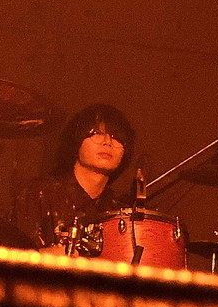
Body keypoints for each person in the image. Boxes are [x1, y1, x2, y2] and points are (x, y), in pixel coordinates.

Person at [13, 103, 136, 254]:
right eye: (96, 133)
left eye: (116, 137)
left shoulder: (120, 212)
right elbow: (14, 258)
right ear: (76, 141)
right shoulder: (39, 195)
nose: (107, 142)